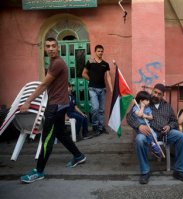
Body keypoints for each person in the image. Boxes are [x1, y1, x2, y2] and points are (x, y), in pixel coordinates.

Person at [19, 38, 86, 184]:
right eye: (48, 46)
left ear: (58, 47)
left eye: (53, 46)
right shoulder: (55, 62)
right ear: (44, 48)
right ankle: (79, 156)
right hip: (60, 104)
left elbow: (43, 85)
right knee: (61, 133)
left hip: (55, 106)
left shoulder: (57, 63)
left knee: (47, 139)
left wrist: (28, 101)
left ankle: (39, 171)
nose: (51, 49)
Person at [126, 83, 183, 184]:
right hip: (148, 132)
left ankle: (179, 170)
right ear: (152, 91)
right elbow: (129, 117)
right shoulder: (144, 101)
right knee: (139, 139)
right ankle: (145, 171)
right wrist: (139, 126)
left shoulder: (167, 106)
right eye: (154, 92)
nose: (156, 95)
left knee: (181, 137)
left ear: (162, 95)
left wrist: (169, 126)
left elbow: (174, 120)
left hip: (165, 133)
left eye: (159, 94)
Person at [82, 44, 113, 136]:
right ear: (95, 52)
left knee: (101, 110)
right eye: (98, 51)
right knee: (95, 108)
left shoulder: (105, 64)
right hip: (92, 89)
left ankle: (101, 127)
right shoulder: (90, 62)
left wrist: (111, 88)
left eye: (101, 51)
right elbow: (83, 74)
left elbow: (108, 77)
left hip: (102, 89)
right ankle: (95, 125)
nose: (100, 52)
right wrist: (91, 80)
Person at [132, 90, 161, 158]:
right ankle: (152, 145)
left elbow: (151, 117)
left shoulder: (148, 108)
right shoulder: (136, 108)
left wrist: (146, 116)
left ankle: (153, 145)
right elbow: (139, 114)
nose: (149, 102)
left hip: (148, 126)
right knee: (146, 135)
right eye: (147, 100)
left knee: (154, 134)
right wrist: (142, 107)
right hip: (140, 128)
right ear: (141, 101)